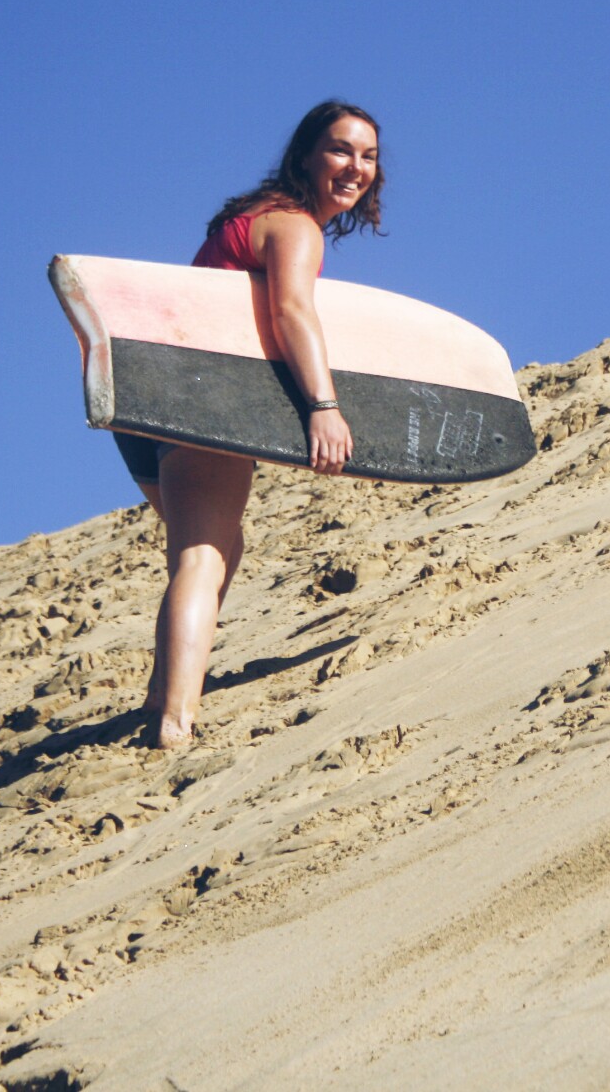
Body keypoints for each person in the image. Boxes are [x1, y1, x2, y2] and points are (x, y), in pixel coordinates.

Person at [115, 99, 383, 748]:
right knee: (203, 557)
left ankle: (162, 692)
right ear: (305, 157)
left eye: (369, 156)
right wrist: (323, 407)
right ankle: (175, 721)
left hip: (149, 406)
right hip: (204, 402)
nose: (356, 166)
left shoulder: (251, 217)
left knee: (216, 548)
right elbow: (292, 311)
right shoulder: (295, 226)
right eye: (341, 149)